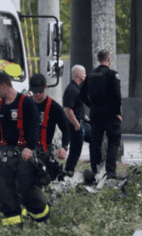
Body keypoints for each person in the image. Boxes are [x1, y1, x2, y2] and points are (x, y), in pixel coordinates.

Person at [0, 72, 50, 226]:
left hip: (24, 154)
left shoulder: (26, 102)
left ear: (4, 85)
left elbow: (35, 126)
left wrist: (30, 147)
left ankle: (41, 218)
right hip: (5, 155)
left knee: (27, 189)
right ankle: (14, 226)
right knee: (2, 189)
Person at [79, 50, 123, 180]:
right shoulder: (112, 74)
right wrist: (117, 112)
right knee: (113, 140)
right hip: (110, 113)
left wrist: (92, 105)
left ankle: (95, 170)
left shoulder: (91, 75)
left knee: (95, 141)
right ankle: (110, 171)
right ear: (108, 59)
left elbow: (82, 94)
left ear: (98, 59)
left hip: (95, 112)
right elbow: (117, 96)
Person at [29, 73, 70, 180]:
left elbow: (66, 129)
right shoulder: (25, 104)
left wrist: (64, 148)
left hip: (45, 150)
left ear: (46, 88)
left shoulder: (54, 107)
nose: (37, 94)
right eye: (34, 92)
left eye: (40, 91)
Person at [63, 65, 89, 177]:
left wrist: (86, 118)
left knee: (96, 139)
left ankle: (96, 165)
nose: (85, 75)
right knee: (75, 150)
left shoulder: (77, 88)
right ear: (78, 75)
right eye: (84, 72)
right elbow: (67, 110)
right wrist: (77, 125)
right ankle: (68, 172)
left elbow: (77, 108)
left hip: (82, 124)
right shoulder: (71, 89)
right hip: (75, 125)